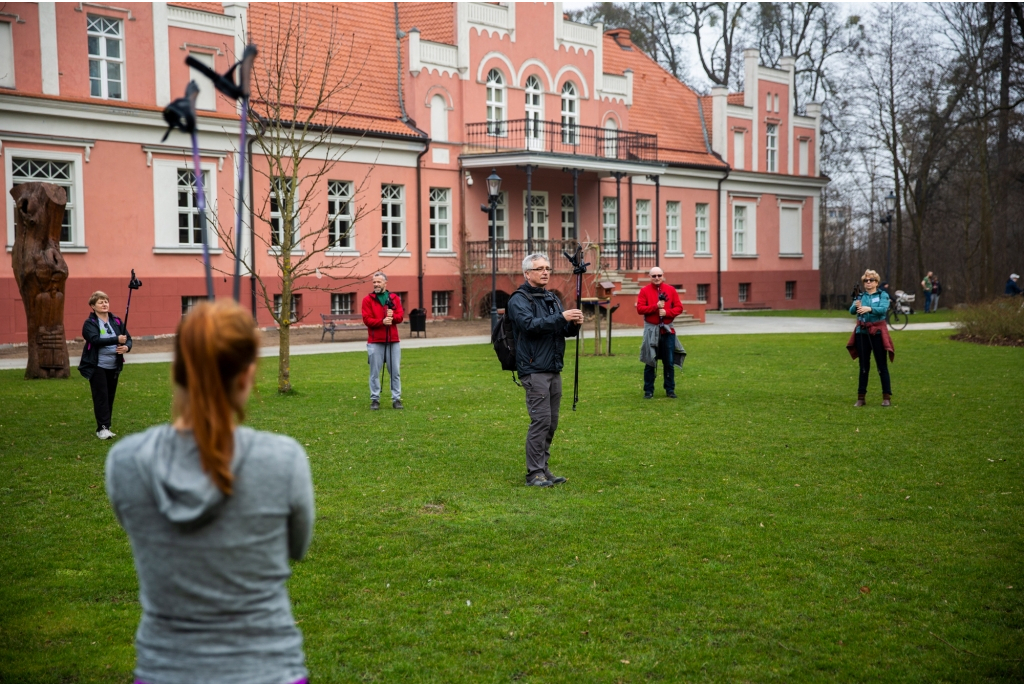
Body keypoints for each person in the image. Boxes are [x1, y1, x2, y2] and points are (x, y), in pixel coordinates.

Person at [105, 300, 314, 684]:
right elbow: (297, 548)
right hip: (269, 670)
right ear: (248, 375)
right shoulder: (284, 459)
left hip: (165, 671)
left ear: (176, 371)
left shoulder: (126, 461)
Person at [507, 253, 583, 488]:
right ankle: (534, 474)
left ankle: (544, 469)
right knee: (540, 420)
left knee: (551, 422)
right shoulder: (519, 300)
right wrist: (561, 317)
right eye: (539, 268)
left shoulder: (550, 297)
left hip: (553, 367)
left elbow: (560, 331)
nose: (545, 272)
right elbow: (529, 326)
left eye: (548, 268)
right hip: (533, 368)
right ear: (527, 273)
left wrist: (573, 324)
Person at [78, 290, 131, 440]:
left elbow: (127, 338)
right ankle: (102, 428)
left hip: (114, 366)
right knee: (101, 397)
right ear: (93, 306)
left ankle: (107, 426)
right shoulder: (90, 323)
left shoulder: (117, 321)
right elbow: (94, 340)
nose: (104, 304)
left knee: (110, 396)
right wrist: (116, 339)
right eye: (100, 302)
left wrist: (126, 347)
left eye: (106, 301)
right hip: (97, 366)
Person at [847, 269, 894, 407]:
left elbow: (883, 309)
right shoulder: (860, 296)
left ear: (877, 282)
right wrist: (856, 306)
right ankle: (861, 397)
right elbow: (851, 311)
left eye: (871, 280)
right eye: (866, 281)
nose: (868, 283)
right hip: (862, 333)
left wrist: (869, 309)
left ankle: (886, 396)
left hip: (877, 333)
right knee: (863, 366)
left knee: (881, 366)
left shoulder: (882, 295)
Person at [636, 267, 684, 399]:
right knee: (650, 360)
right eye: (654, 276)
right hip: (651, 330)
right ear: (649, 277)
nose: (656, 278)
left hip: (667, 330)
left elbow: (679, 307)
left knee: (668, 362)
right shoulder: (644, 291)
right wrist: (655, 307)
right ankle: (648, 390)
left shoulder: (671, 290)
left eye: (659, 275)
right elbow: (640, 309)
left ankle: (670, 390)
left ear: (663, 275)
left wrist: (667, 313)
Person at [361, 271, 404, 410]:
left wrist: (392, 318)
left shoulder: (393, 298)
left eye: (379, 282)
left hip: (393, 340)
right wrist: (382, 321)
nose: (376, 284)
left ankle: (396, 399)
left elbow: (400, 316)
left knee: (395, 372)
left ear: (385, 283)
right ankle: (375, 399)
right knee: (374, 372)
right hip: (375, 341)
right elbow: (367, 320)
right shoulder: (367, 300)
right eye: (374, 282)